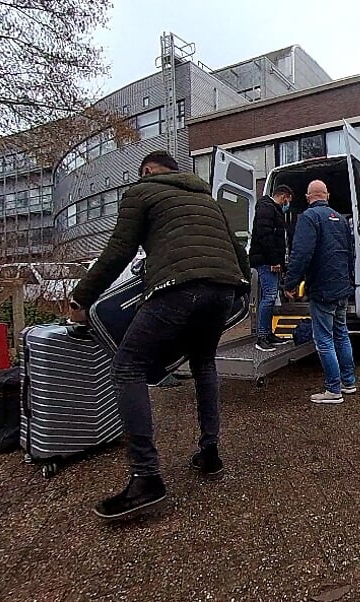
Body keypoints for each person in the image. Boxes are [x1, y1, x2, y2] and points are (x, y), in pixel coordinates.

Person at [67, 151, 249, 520]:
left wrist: (82, 297)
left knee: (128, 365)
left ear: (147, 171)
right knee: (203, 363)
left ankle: (146, 477)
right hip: (224, 289)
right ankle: (209, 453)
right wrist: (240, 290)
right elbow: (238, 252)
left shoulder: (142, 191)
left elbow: (119, 250)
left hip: (178, 287)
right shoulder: (206, 198)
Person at [283, 180, 357, 404]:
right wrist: (349, 282)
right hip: (342, 288)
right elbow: (350, 254)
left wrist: (290, 283)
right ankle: (349, 382)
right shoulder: (342, 220)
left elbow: (301, 254)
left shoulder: (309, 218)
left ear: (308, 197)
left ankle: (333, 390)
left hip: (323, 289)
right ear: (327, 195)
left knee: (324, 339)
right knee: (341, 334)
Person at [249, 184, 293, 352]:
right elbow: (265, 236)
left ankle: (268, 333)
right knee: (269, 297)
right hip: (266, 261)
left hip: (269, 261)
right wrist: (274, 261)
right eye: (288, 200)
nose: (287, 203)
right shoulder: (267, 208)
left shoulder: (272, 210)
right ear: (284, 196)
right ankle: (262, 337)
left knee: (271, 296)